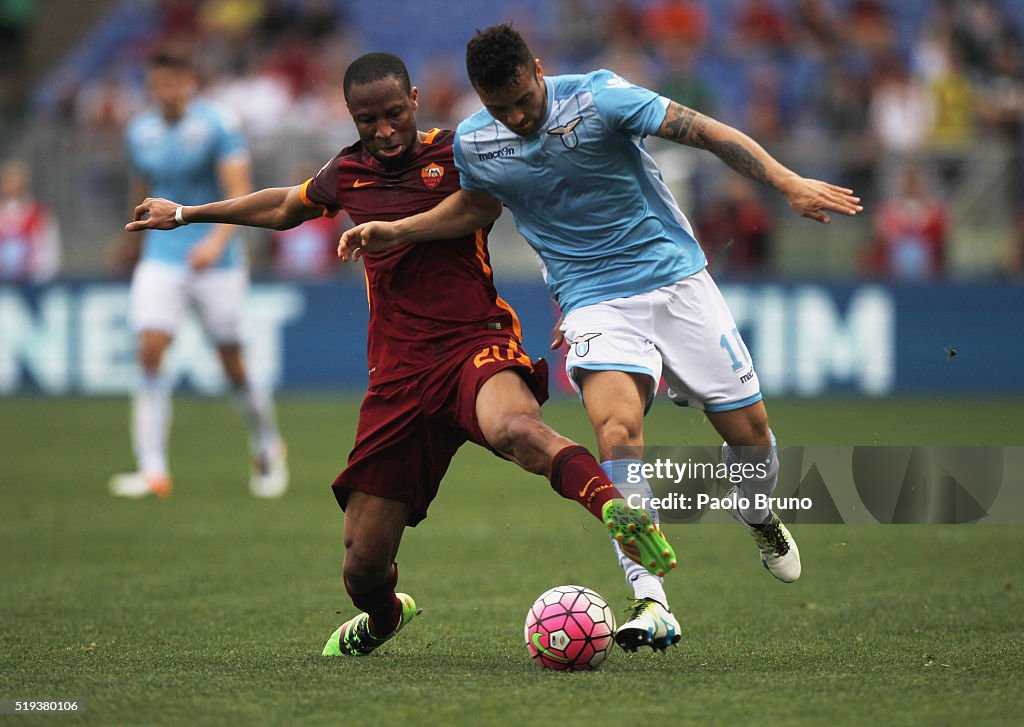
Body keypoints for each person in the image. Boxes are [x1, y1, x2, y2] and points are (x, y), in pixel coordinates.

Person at [124, 52, 678, 656]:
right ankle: (385, 616)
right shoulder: (347, 171)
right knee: (361, 567)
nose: (384, 131)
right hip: (397, 376)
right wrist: (184, 213)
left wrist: (402, 232)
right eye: (368, 120)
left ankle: (618, 510)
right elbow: (287, 206)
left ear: (415, 99)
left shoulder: (458, 151)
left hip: (474, 343)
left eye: (393, 114)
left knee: (518, 429)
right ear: (351, 116)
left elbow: (487, 206)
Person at [340, 25, 864, 636]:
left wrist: (786, 182)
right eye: (498, 108)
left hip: (676, 282)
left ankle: (754, 506)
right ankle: (651, 600)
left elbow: (709, 132)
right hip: (593, 303)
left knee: (749, 437)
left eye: (523, 101)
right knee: (617, 432)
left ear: (538, 71)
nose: (516, 118)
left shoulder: (600, 99)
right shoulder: (477, 143)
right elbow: (476, 206)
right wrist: (396, 230)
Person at [109, 49, 287, 500]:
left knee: (232, 363)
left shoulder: (218, 125)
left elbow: (238, 192)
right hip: (162, 257)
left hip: (216, 260)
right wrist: (130, 242)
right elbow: (140, 193)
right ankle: (152, 469)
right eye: (156, 85)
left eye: (171, 83)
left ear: (189, 80)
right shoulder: (140, 131)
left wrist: (216, 241)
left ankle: (267, 444)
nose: (164, 93)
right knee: (150, 347)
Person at [0, 159, 62, 283]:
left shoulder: (40, 214)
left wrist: (40, 277)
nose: (11, 184)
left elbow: (51, 251)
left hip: (31, 283)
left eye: (15, 179)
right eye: (8, 179)